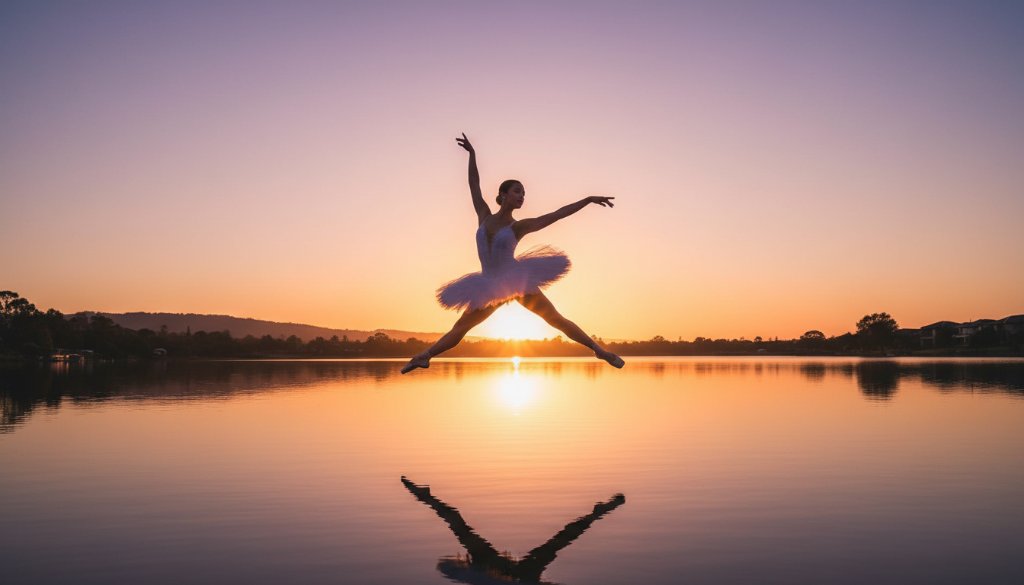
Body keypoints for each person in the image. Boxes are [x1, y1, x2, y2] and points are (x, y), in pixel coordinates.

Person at [401, 133, 624, 374]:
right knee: (460, 327)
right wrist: (472, 155)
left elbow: (556, 214)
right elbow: (474, 185)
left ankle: (599, 350)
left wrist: (588, 199)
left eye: (524, 193)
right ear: (503, 195)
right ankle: (423, 356)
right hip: (488, 284)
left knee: (554, 319)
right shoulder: (484, 216)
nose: (522, 196)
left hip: (516, 281)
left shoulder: (518, 227)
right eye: (518, 191)